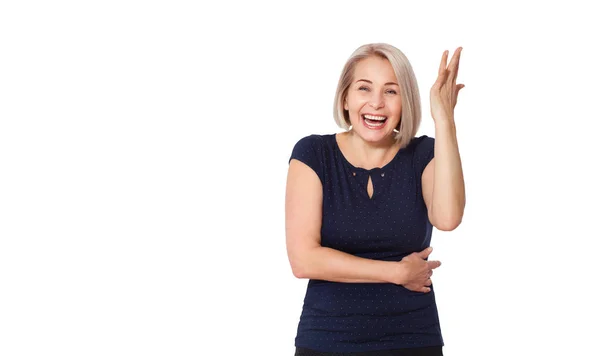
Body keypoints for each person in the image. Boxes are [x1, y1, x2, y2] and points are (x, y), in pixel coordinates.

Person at [285, 43, 466, 356]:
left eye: (392, 91)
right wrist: (397, 272)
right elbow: (303, 260)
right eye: (364, 88)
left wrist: (445, 120)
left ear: (405, 101)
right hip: (327, 340)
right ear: (345, 98)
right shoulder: (314, 154)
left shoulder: (423, 153)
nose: (376, 103)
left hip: (412, 338)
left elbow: (447, 218)